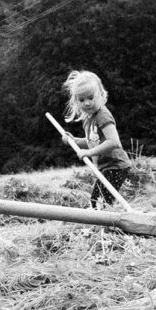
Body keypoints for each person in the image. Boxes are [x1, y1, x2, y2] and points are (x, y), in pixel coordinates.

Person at [62, 70, 132, 208]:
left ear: (100, 94)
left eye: (90, 97)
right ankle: (104, 226)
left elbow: (114, 142)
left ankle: (109, 227)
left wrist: (89, 153)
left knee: (100, 204)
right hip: (106, 168)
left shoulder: (102, 115)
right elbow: (93, 141)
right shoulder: (88, 118)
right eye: (82, 100)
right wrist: (74, 141)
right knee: (97, 202)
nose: (87, 103)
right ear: (76, 101)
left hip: (116, 166)